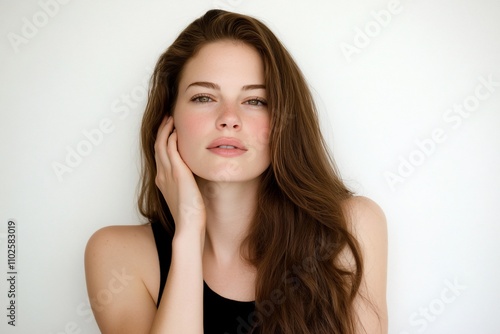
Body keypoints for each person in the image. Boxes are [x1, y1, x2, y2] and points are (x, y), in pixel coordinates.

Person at [84, 9, 388, 334]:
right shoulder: (117, 255)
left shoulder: (350, 229)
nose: (229, 118)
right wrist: (188, 234)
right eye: (204, 97)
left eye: (255, 101)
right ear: (167, 119)